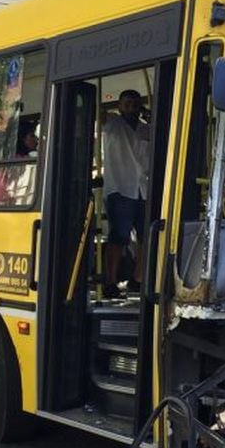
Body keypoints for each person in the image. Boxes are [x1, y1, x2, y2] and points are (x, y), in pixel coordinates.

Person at [102, 89, 150, 298]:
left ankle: (137, 279)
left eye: (135, 104)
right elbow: (99, 115)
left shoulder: (146, 129)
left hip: (143, 189)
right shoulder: (112, 124)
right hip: (120, 187)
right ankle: (110, 280)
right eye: (127, 104)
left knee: (145, 237)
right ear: (120, 106)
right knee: (119, 237)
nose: (131, 108)